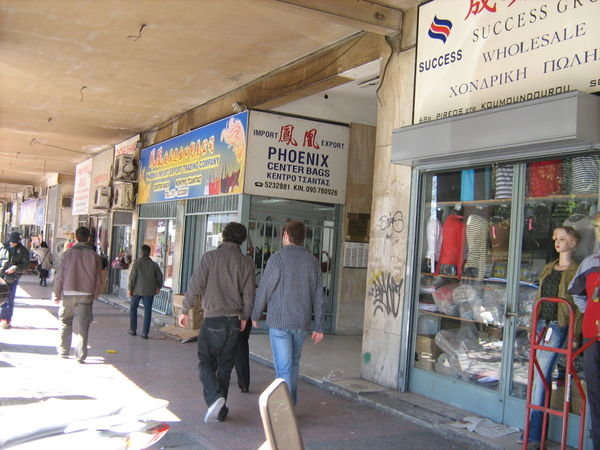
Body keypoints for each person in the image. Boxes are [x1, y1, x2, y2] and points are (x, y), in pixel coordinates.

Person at [178, 222, 255, 423]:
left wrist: (185, 309)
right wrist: (245, 317)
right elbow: (249, 295)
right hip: (234, 321)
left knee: (205, 363)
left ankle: (215, 398)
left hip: (213, 319)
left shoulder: (210, 258)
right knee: (225, 368)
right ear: (242, 240)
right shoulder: (246, 263)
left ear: (223, 236)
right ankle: (220, 410)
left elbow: (195, 285)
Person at [251, 220, 325, 405]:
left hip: (280, 322)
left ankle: (286, 411)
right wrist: (320, 326)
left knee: (283, 370)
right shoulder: (313, 261)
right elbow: (318, 296)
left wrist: (255, 314)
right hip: (301, 322)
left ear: (285, 235)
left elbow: (264, 289)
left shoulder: (277, 259)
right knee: (293, 365)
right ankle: (290, 406)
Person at [524, 226, 581, 445]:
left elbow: (578, 306)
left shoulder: (576, 271)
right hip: (541, 324)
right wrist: (532, 325)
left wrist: (575, 333)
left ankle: (534, 434)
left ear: (573, 243)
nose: (557, 242)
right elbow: (539, 296)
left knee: (541, 376)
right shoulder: (548, 268)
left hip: (558, 325)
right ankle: (533, 430)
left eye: (563, 238)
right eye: (555, 238)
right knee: (537, 375)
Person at [568, 212, 600, 450]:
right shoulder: (590, 263)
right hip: (593, 336)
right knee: (596, 390)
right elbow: (576, 291)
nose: (598, 232)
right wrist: (591, 313)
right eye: (597, 227)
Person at [53, 226, 103, 363]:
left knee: (65, 321)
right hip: (86, 294)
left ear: (76, 237)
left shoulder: (67, 254)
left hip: (68, 293)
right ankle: (80, 355)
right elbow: (99, 278)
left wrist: (56, 294)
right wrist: (96, 294)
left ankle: (63, 351)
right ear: (88, 238)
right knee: (83, 324)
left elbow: (59, 276)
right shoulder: (94, 256)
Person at [128, 245, 163, 339]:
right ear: (149, 253)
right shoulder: (154, 265)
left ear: (141, 253)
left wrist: (130, 289)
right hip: (149, 291)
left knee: (133, 309)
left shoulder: (137, 263)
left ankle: (133, 329)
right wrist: (158, 286)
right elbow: (160, 277)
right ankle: (145, 333)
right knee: (148, 311)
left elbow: (132, 277)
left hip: (136, 291)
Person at [0, 231, 30, 329]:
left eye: (14, 242)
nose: (12, 244)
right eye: (11, 242)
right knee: (1, 298)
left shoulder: (23, 250)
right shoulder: (3, 247)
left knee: (9, 299)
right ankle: (1, 318)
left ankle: (6, 320)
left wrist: (15, 268)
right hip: (1, 276)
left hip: (12, 278)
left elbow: (25, 265)